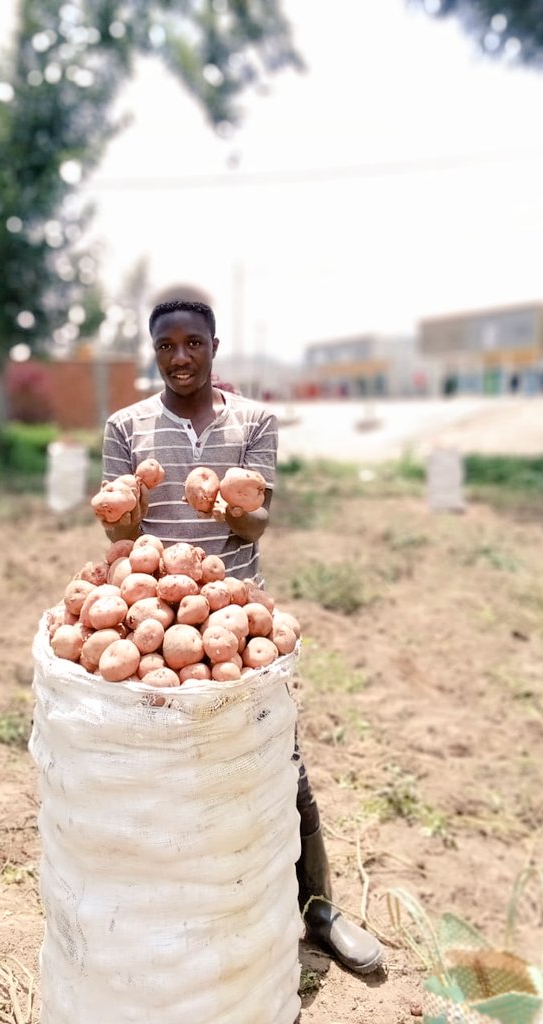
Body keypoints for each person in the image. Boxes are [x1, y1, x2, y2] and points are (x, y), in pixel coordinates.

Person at [98, 298, 382, 975]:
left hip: (236, 613)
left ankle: (319, 909)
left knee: (281, 763)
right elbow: (119, 536)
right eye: (166, 346)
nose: (180, 357)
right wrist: (128, 517)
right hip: (155, 624)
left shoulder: (254, 421)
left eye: (192, 343)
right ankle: (177, 915)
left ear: (214, 346)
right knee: (159, 772)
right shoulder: (125, 426)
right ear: (153, 352)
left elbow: (253, 529)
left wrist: (225, 504)